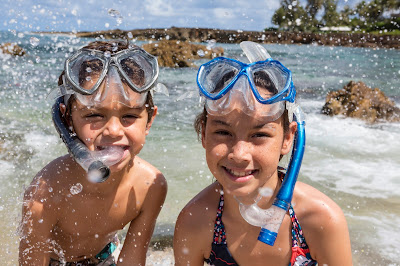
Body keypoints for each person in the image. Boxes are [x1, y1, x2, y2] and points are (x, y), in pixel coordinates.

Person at [174, 41, 352, 265]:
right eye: (222, 132)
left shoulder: (320, 220)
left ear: (288, 138)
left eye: (259, 135)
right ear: (203, 135)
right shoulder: (195, 221)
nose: (239, 154)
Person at [19, 40, 167, 265]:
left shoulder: (150, 186)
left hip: (104, 257)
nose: (114, 131)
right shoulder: (45, 191)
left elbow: (133, 260)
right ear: (67, 120)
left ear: (149, 120)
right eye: (93, 115)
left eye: (130, 116)